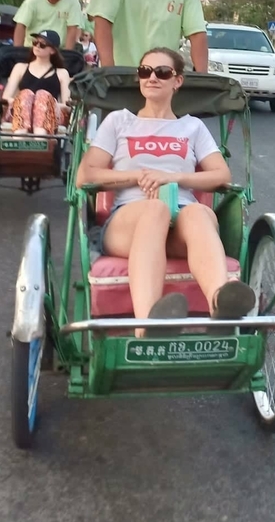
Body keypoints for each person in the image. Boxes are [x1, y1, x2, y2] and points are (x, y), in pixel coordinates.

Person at [76, 46, 255, 335]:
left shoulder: (192, 128)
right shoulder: (119, 122)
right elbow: (85, 176)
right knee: (155, 209)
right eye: (145, 72)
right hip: (129, 222)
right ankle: (148, 323)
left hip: (181, 222)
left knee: (198, 212)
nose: (152, 78)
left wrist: (172, 177)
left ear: (177, 81)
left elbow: (221, 174)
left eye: (162, 72)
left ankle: (221, 307)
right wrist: (139, 176)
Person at [2, 30, 72, 134]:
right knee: (26, 94)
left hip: (51, 116)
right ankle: (20, 135)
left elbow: (67, 106)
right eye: (35, 43)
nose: (37, 46)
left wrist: (44, 103)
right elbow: (6, 98)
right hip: (20, 111)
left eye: (42, 45)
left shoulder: (62, 73)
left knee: (42, 96)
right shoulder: (20, 68)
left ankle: (40, 136)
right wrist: (28, 102)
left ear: (52, 51)